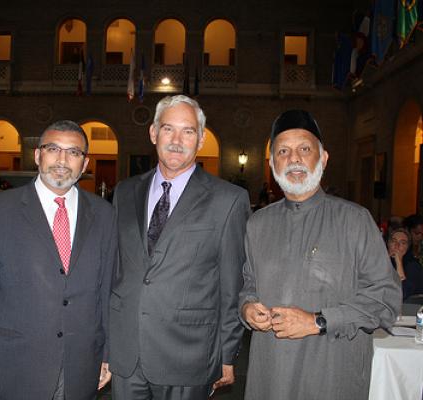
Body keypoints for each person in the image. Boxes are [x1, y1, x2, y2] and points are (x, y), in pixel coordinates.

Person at [239, 109, 401, 400]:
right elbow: (247, 286)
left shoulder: (355, 220)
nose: (294, 159)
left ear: (323, 158)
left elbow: (386, 299)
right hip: (270, 375)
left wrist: (318, 321)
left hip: (331, 374)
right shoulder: (257, 224)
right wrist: (247, 308)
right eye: (283, 151)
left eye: (304, 149)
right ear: (273, 164)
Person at [109, 95, 250, 399]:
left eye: (187, 131)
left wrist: (227, 354)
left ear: (200, 139)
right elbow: (115, 272)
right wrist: (106, 346)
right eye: (167, 129)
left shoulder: (229, 200)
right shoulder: (125, 191)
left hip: (189, 354)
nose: (176, 140)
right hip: (126, 353)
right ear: (153, 133)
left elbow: (231, 284)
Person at [0, 120, 116, 400]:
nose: (62, 160)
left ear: (84, 163)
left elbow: (107, 290)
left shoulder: (104, 214)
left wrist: (108, 353)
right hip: (16, 363)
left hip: (82, 363)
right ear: (38, 155)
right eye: (53, 149)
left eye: (73, 153)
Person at [387, 227, 423, 299]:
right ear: (388, 244)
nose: (397, 245)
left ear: (407, 248)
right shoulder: (379, 263)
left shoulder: (413, 266)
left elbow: (403, 294)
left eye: (402, 243)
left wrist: (398, 261)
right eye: (394, 241)